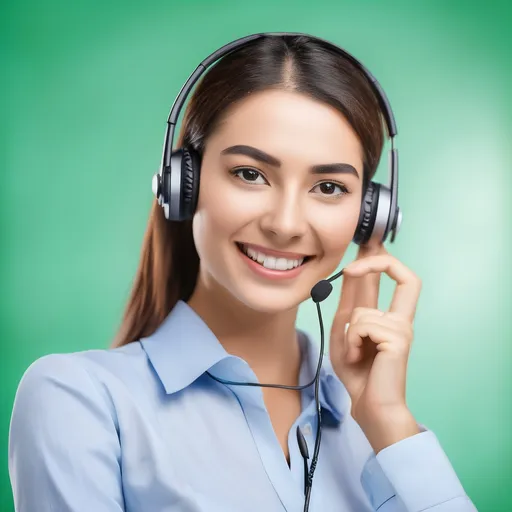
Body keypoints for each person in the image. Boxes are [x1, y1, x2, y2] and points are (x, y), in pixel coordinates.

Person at [8, 33, 477, 512]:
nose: (286, 224)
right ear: (182, 184)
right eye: (250, 174)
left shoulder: (379, 432)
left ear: (369, 215)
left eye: (330, 186)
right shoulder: (80, 402)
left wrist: (389, 423)